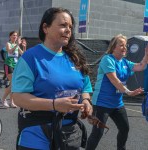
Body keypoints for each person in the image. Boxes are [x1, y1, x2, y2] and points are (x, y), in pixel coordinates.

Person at [12, 7, 93, 150]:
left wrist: (86, 100)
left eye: (70, 26)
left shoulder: (75, 58)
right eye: (63, 25)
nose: (68, 30)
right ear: (45, 28)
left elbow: (85, 86)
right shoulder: (31, 57)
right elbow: (18, 97)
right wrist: (54, 104)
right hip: (37, 133)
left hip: (70, 133)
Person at [86, 34, 148, 150]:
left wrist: (146, 56)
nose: (125, 47)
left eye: (126, 45)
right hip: (102, 103)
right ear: (113, 47)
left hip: (117, 104)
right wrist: (128, 92)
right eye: (121, 45)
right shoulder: (107, 59)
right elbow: (114, 80)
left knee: (124, 128)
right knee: (97, 133)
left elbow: (141, 66)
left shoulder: (125, 62)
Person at [0, 31, 25, 108]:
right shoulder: (8, 44)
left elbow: (23, 54)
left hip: (15, 66)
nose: (15, 37)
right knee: (13, 83)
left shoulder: (16, 45)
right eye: (13, 35)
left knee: (12, 84)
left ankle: (11, 101)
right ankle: (3, 100)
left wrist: (24, 46)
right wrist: (17, 44)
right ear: (10, 36)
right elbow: (10, 51)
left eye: (16, 36)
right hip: (8, 65)